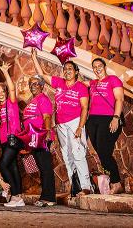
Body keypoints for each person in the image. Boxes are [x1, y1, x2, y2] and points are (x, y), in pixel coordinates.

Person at [32, 48, 91, 196]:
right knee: (67, 155)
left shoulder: (81, 87)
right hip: (61, 125)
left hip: (75, 122)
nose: (67, 71)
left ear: (76, 72)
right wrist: (34, 58)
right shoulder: (59, 83)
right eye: (65, 69)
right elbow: (42, 75)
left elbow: (85, 108)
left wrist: (80, 127)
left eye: (70, 69)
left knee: (78, 153)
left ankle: (86, 186)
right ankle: (75, 186)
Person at [86, 57, 125, 193]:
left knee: (103, 152)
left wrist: (116, 118)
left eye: (99, 66)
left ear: (105, 67)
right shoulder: (92, 83)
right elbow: (75, 82)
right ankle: (114, 182)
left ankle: (116, 183)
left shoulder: (113, 79)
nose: (97, 69)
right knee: (102, 153)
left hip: (108, 118)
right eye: (94, 67)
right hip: (93, 120)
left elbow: (119, 99)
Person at [0, 62, 27, 207]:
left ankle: (14, 195)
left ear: (6, 92)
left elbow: (12, 88)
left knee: (3, 165)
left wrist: (5, 72)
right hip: (4, 141)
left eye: (2, 91)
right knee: (13, 167)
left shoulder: (11, 102)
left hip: (13, 138)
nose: (0, 94)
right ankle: (18, 197)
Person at [22, 74, 57, 206]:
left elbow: (47, 117)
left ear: (42, 86)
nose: (33, 86)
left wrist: (47, 132)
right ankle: (47, 196)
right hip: (34, 138)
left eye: (36, 83)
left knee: (45, 167)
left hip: (42, 137)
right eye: (31, 84)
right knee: (42, 167)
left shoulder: (43, 99)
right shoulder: (33, 100)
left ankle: (49, 198)